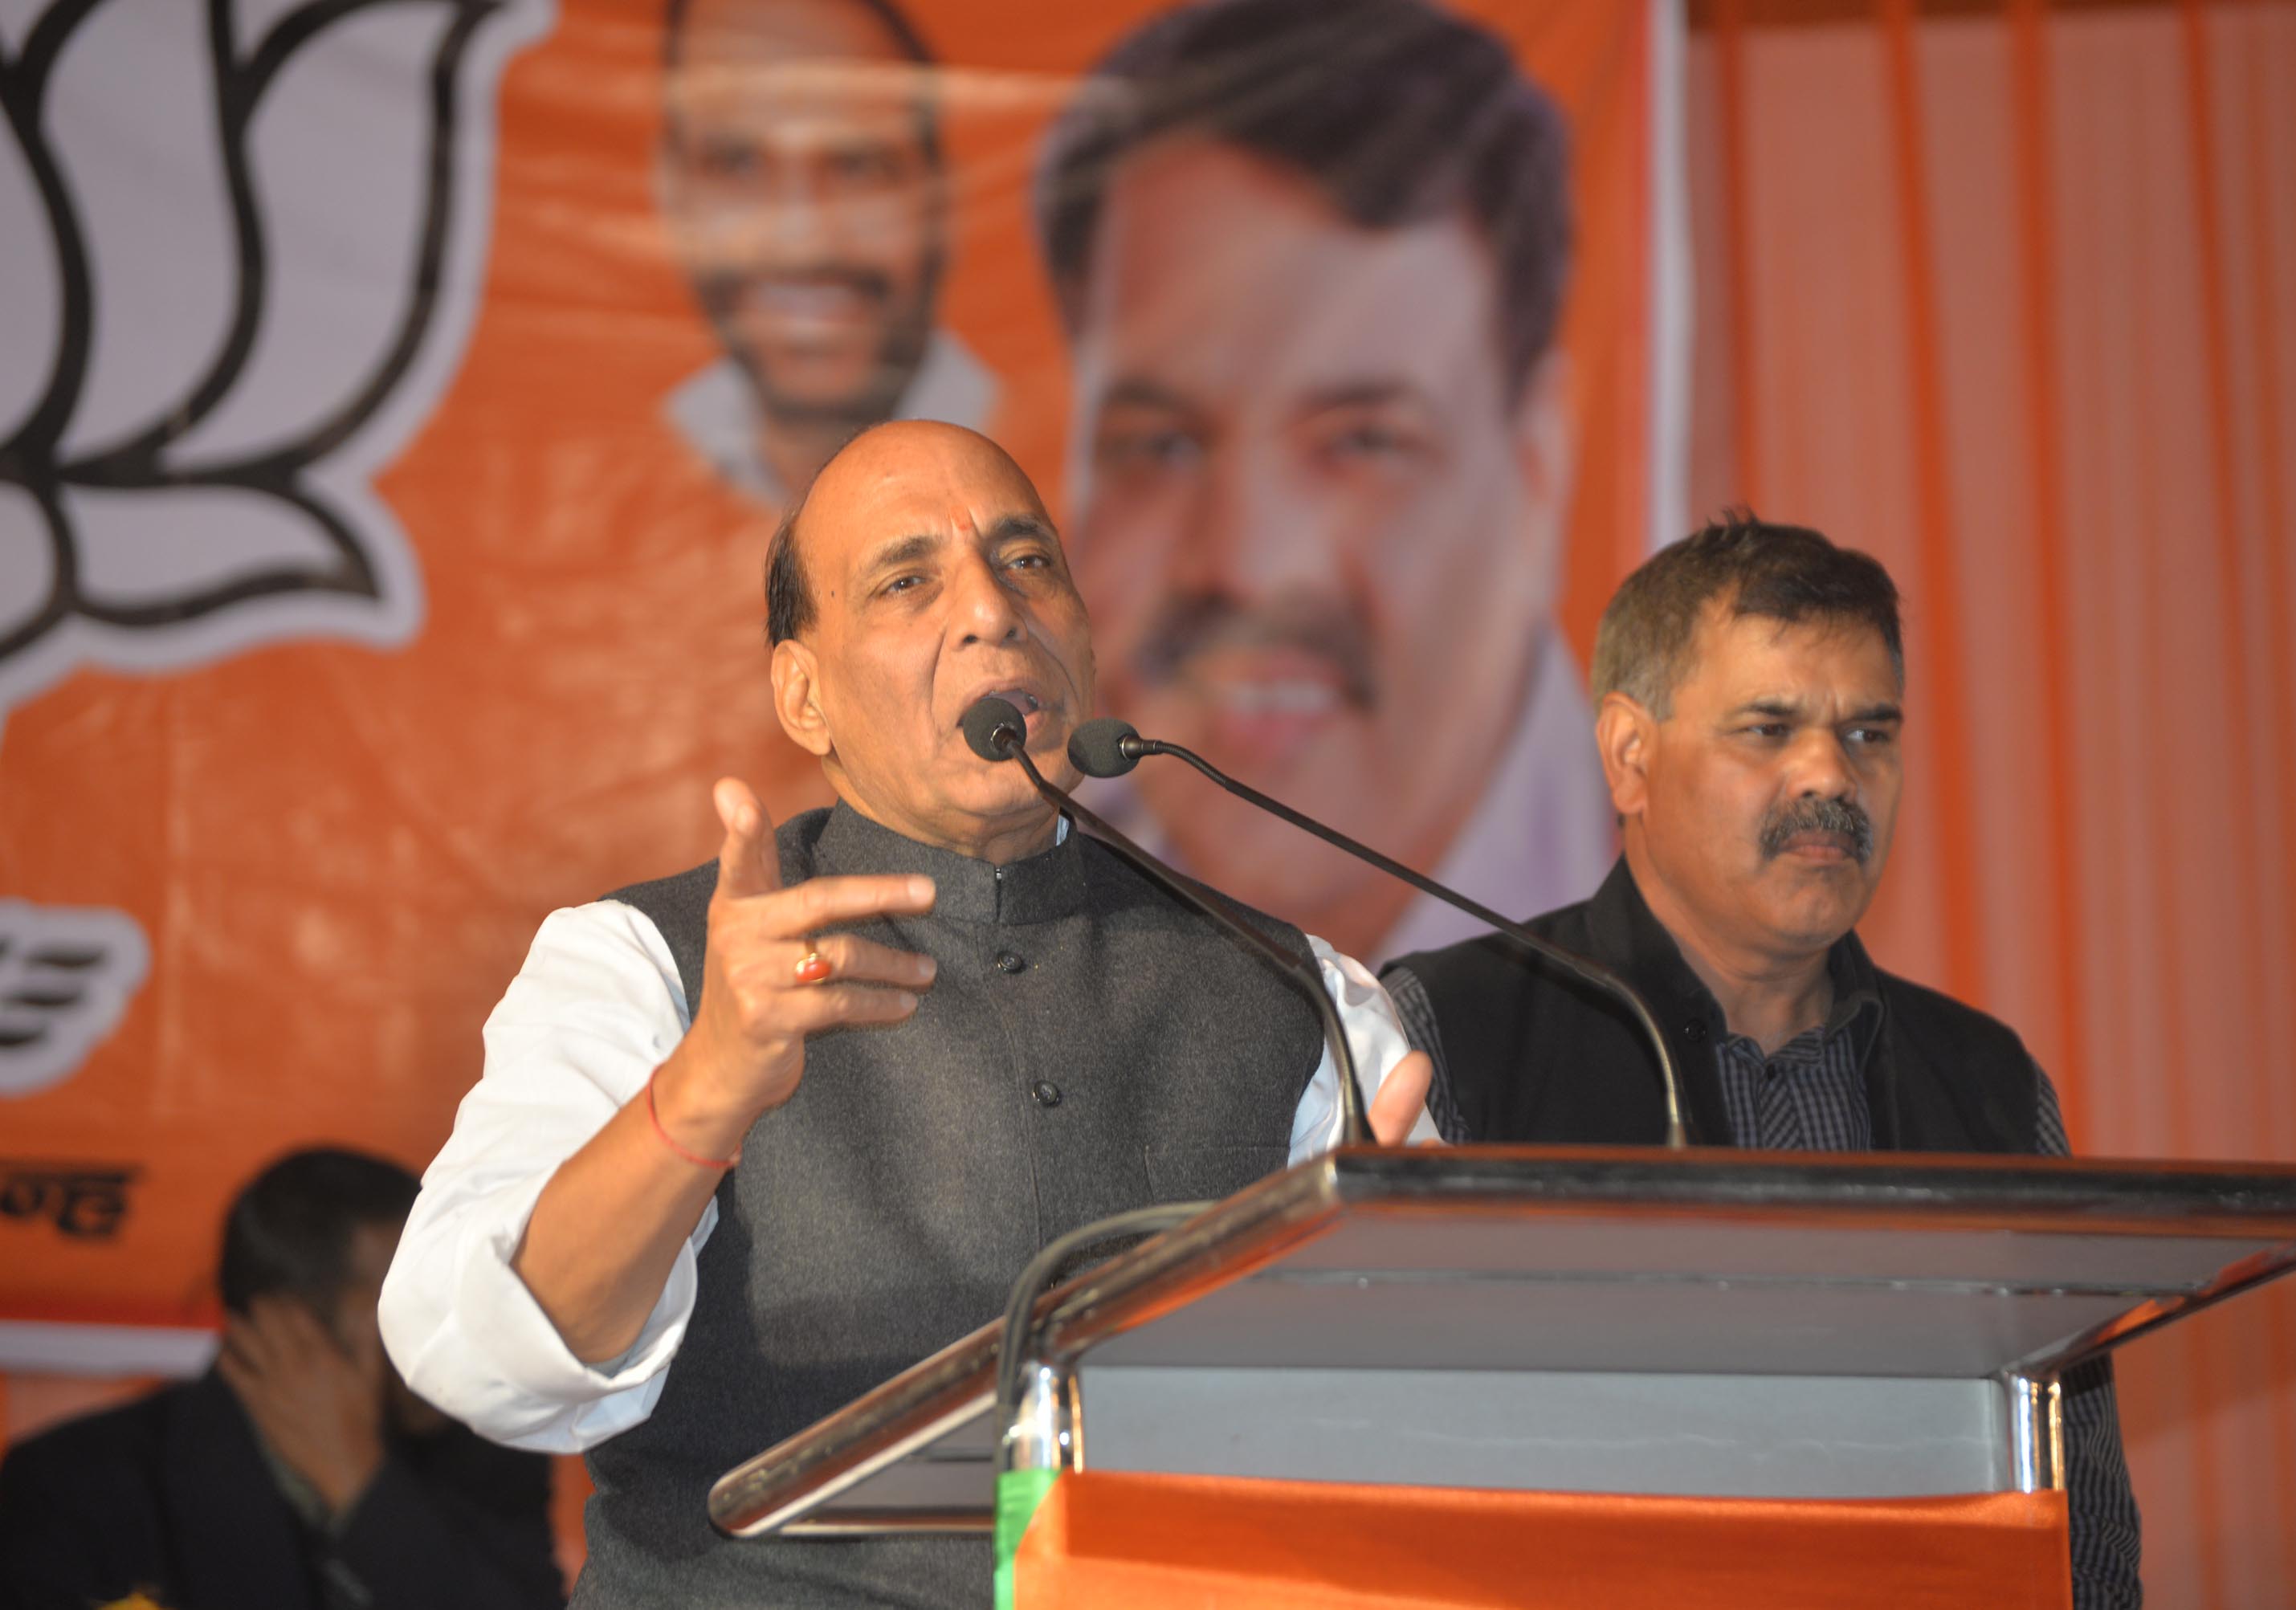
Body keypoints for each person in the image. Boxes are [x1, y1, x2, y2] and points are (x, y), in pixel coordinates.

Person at [378, 421, 1431, 1607]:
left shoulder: (1301, 995)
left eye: (1029, 562)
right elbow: (477, 1352)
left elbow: (1446, 1434)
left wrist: (1389, 1326)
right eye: (906, 580)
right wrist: (704, 1091)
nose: (991, 609)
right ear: (805, 694)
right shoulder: (645, 964)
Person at [1380, 513, 2143, 1608]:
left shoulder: (1986, 1084)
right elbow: (1382, 1466)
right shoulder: (1453, 1035)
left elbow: (2084, 1526)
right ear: (1629, 757)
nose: (1829, 776)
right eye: (1769, 729)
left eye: (1870, 734)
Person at [1030, 0, 1612, 964]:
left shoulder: (1683, 954)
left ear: (1533, 477)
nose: (1248, 565)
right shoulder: (1001, 926)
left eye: (1361, 443)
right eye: (1160, 445)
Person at [0, 1148, 563, 1610]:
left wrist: (362, 1487)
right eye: (419, 1300)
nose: (463, 1327)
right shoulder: (71, 1489)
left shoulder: (490, 1448)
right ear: (291, 1333)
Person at [659, 0, 993, 503]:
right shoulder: (619, 465)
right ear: (669, 188)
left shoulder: (1054, 445)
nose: (804, 241)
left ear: (942, 192)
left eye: (859, 166)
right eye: (739, 164)